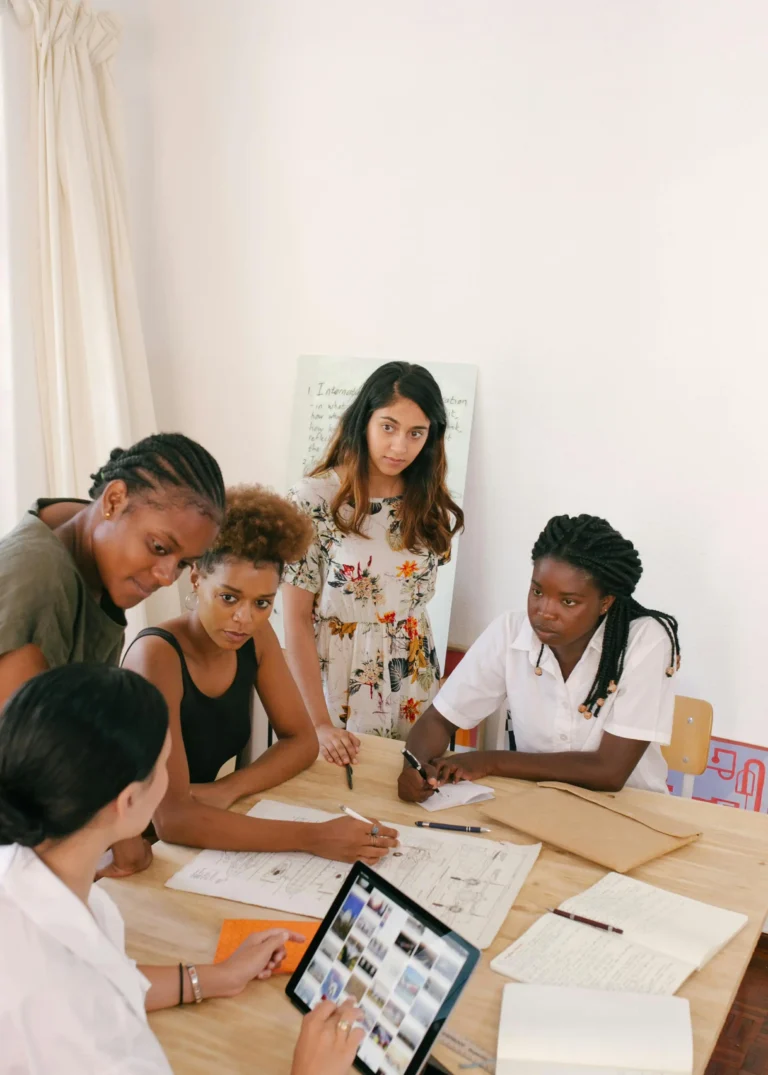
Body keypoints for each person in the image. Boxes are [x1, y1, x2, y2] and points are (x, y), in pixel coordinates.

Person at [0, 664, 365, 1075]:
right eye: (166, 764)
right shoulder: (57, 1021)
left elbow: (105, 981)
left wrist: (213, 978)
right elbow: (75, 1000)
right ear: (129, 802)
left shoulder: (35, 876)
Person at [123, 486, 397, 864]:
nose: (244, 618)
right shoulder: (155, 657)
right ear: (197, 580)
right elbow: (171, 819)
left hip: (201, 830)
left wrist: (228, 789)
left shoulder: (255, 637)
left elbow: (302, 742)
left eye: (262, 603)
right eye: (229, 597)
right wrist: (313, 836)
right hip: (130, 849)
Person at [0, 432, 226, 878]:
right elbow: (33, 768)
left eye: (183, 563)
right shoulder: (38, 580)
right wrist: (121, 841)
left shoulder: (83, 540)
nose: (166, 576)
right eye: (160, 548)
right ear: (114, 499)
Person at [398, 514, 681, 799]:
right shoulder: (510, 631)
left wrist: (489, 761)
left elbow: (610, 771)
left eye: (568, 601)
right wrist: (416, 767)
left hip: (632, 811)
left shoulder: (645, 640)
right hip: (539, 803)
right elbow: (439, 719)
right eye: (537, 591)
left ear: (605, 602)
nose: (544, 611)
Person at [282, 362, 464, 766]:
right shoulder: (314, 498)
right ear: (363, 420)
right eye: (388, 427)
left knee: (411, 797)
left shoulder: (427, 499)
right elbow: (294, 618)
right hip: (338, 679)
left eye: (416, 433)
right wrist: (318, 723)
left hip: (414, 678)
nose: (400, 446)